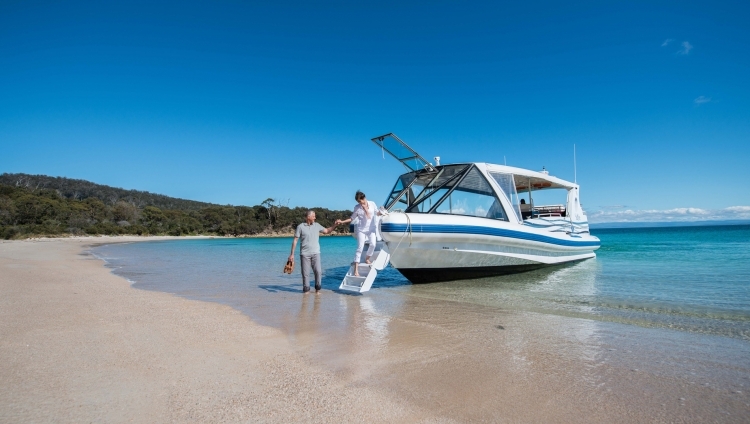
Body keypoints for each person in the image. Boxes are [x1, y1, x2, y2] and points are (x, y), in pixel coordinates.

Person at [288, 210, 339, 294]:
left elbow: (327, 231)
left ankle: (317, 290)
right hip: (304, 254)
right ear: (308, 217)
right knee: (305, 274)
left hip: (316, 253)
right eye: (313, 216)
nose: (315, 217)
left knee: (318, 271)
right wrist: (292, 254)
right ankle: (306, 291)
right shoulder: (300, 227)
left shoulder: (317, 225)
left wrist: (335, 225)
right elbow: (295, 240)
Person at [336, 191, 381, 277]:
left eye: (360, 201)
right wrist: (342, 222)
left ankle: (367, 258)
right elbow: (352, 218)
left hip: (371, 228)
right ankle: (356, 270)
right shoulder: (357, 207)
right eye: (358, 202)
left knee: (373, 244)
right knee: (360, 247)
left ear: (364, 198)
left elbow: (377, 212)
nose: (360, 203)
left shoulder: (372, 204)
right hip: (361, 229)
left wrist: (381, 211)